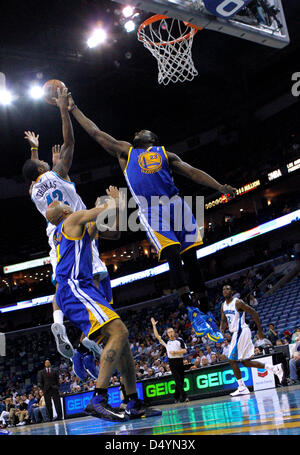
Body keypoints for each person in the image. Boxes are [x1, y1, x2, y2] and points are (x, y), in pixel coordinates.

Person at [67, 94, 237, 339]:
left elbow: (192, 172)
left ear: (153, 139)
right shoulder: (126, 151)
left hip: (177, 204)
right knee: (172, 254)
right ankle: (190, 308)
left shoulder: (166, 154)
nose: (138, 131)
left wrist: (219, 187)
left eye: (143, 130)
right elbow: (97, 133)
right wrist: (74, 108)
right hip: (151, 209)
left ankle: (205, 309)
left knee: (191, 258)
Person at [45, 189, 161, 422]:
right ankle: (98, 399)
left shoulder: (74, 228)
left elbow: (110, 229)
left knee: (123, 344)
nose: (62, 201)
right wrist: (114, 200)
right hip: (76, 289)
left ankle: (132, 402)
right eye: (60, 202)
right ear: (65, 211)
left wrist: (112, 206)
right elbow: (103, 211)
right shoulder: (72, 219)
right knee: (120, 331)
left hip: (81, 289)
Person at [22, 88, 110, 380]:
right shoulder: (56, 171)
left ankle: (58, 321)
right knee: (95, 278)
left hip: (54, 236)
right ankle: (92, 334)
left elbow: (32, 171)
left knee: (62, 283)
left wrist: (35, 151)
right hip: (77, 228)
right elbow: (70, 141)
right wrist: (62, 108)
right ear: (45, 167)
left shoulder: (33, 191)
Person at [220, 284, 284, 396]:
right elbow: (223, 320)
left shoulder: (238, 302)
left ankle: (242, 387)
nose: (225, 291)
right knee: (245, 362)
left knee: (231, 360)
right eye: (224, 289)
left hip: (241, 331)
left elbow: (254, 312)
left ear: (232, 291)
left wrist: (260, 331)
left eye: (228, 289)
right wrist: (221, 330)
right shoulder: (223, 305)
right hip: (235, 333)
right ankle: (274, 368)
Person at [151, 318, 189, 403]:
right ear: (167, 334)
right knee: (177, 380)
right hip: (172, 362)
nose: (171, 333)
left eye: (172, 331)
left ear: (174, 332)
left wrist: (175, 352)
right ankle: (185, 396)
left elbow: (185, 350)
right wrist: (154, 326)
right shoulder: (166, 342)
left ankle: (176, 397)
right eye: (169, 332)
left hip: (180, 361)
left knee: (181, 380)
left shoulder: (180, 340)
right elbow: (157, 336)